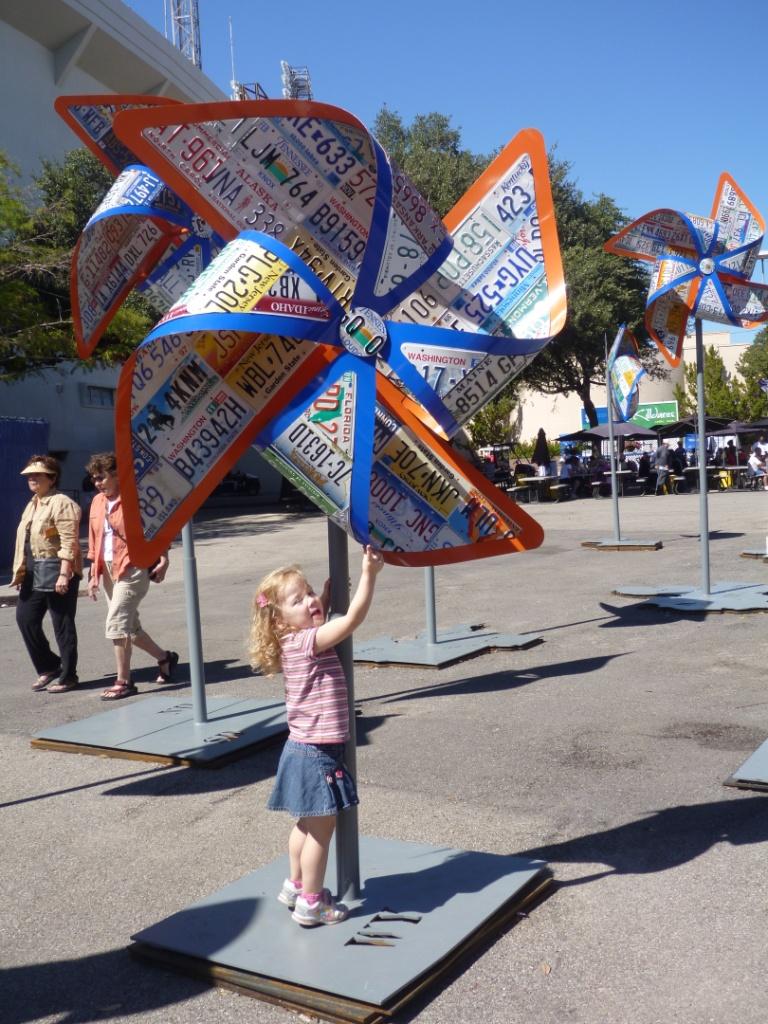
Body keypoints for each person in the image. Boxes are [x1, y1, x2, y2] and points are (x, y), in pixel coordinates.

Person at [249, 546, 384, 927]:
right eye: (299, 599)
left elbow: (312, 619)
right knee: (322, 832)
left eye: (309, 592)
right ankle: (312, 902)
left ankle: (294, 884)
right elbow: (353, 619)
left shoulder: (292, 640)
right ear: (279, 623)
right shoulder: (306, 642)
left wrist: (320, 601)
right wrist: (369, 574)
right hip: (318, 754)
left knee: (305, 825)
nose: (310, 601)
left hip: (300, 749)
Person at [85, 452, 178, 700]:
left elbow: (159, 528)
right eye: (94, 478)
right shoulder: (97, 502)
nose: (98, 483)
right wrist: (93, 573)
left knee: (117, 624)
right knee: (130, 628)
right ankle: (165, 657)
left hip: (133, 565)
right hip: (107, 567)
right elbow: (94, 540)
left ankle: (124, 681)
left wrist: (165, 558)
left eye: (102, 477)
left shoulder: (136, 499)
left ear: (116, 476)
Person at [11, 455, 83, 692]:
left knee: (62, 623)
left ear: (52, 478)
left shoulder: (62, 503)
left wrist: (65, 574)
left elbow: (69, 541)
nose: (31, 478)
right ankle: (49, 666)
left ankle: (68, 676)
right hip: (33, 571)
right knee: (25, 619)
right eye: (29, 475)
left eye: (37, 475)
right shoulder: (33, 503)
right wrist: (21, 573)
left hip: (57, 568)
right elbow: (27, 542)